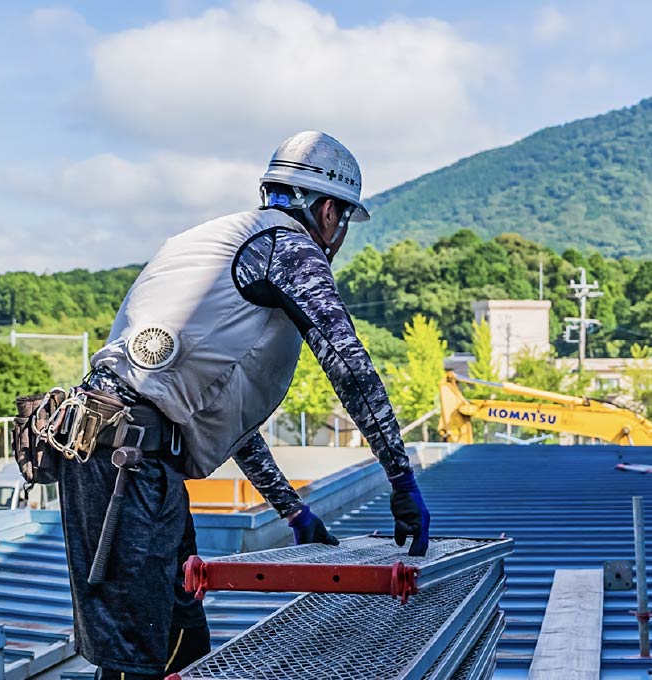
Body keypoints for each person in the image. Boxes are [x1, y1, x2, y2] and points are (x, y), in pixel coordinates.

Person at [55, 131, 431, 679]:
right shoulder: (289, 246)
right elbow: (349, 366)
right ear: (328, 210)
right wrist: (401, 478)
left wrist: (293, 510)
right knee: (137, 660)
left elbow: (216, 416)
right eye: (344, 220)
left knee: (182, 639)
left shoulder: (217, 245)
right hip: (125, 464)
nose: (340, 234)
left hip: (125, 457)